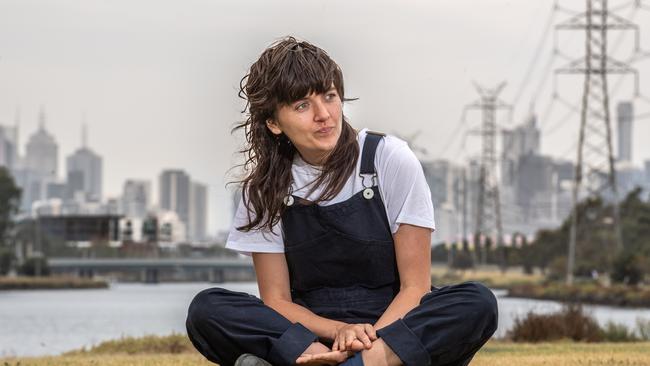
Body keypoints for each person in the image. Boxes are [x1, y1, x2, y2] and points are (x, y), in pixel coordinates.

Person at [186, 36, 498, 366]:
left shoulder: (388, 158)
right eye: (302, 105)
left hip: (392, 328)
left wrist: (369, 344)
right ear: (274, 123)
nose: (324, 115)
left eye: (329, 96)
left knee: (476, 302)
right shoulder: (264, 190)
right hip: (312, 333)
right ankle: (327, 360)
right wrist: (339, 333)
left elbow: (414, 287)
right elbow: (277, 301)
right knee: (208, 309)